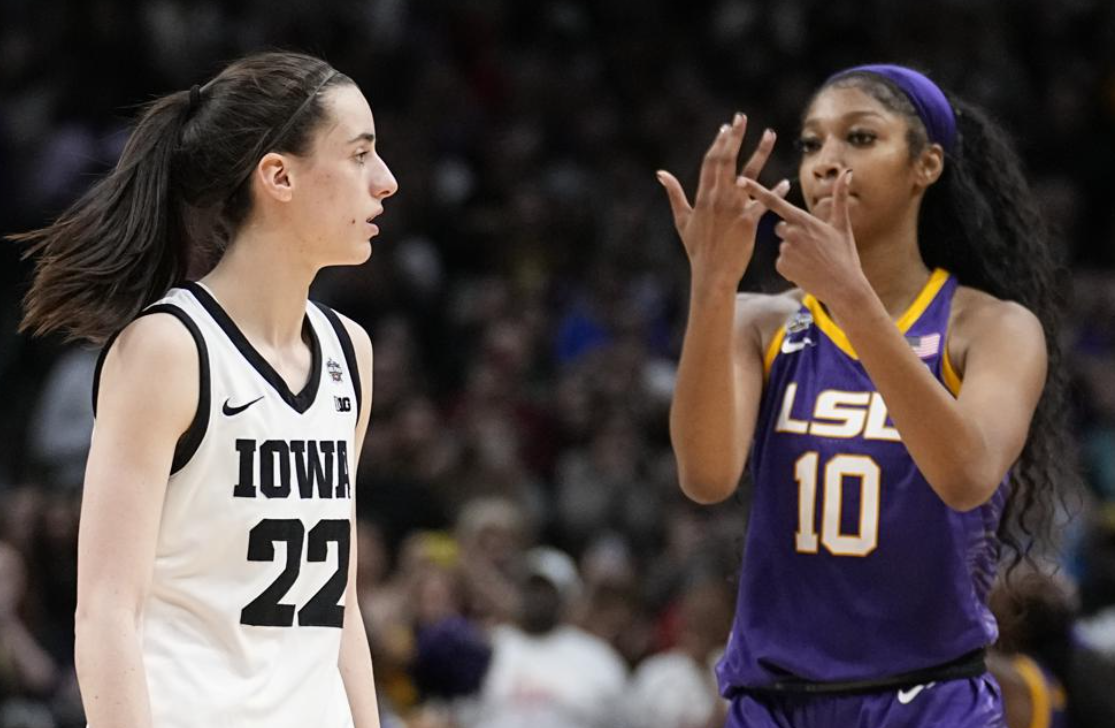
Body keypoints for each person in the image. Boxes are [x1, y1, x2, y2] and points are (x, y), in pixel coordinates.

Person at [658, 63, 1073, 727]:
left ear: (926, 165)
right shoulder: (756, 320)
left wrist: (850, 298)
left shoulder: (991, 328)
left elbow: (965, 475)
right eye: (811, 143)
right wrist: (710, 286)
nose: (825, 162)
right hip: (774, 702)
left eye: (858, 138)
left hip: (928, 699)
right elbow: (704, 477)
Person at [13, 51, 397, 727]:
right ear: (278, 176)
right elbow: (106, 609)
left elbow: (337, 603)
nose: (386, 181)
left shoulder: (350, 352)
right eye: (360, 154)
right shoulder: (168, 349)